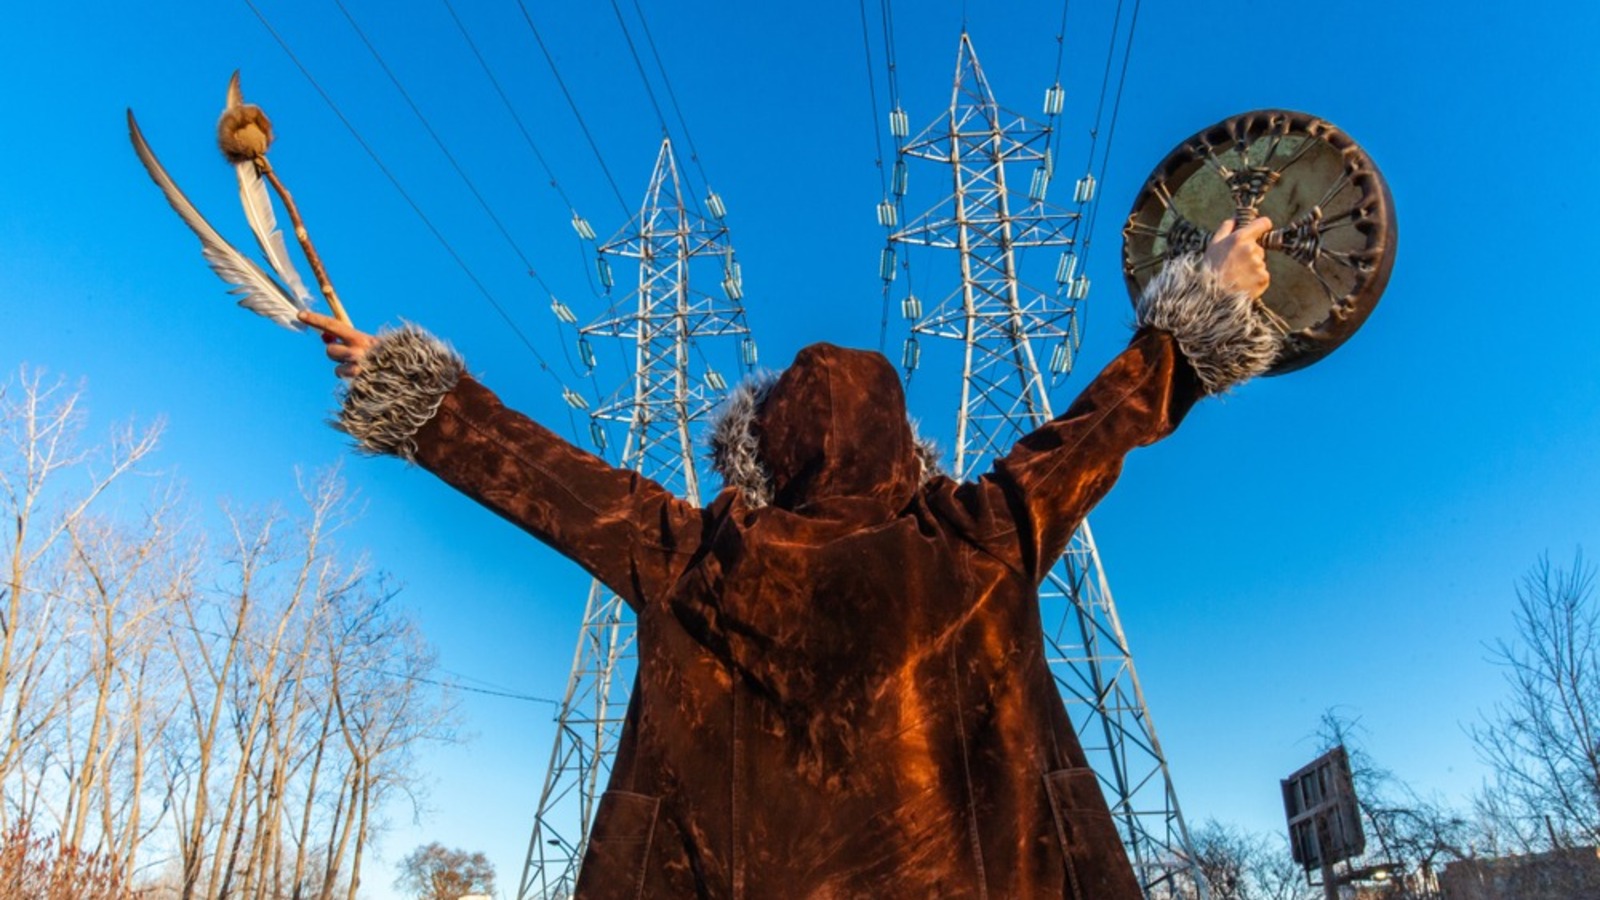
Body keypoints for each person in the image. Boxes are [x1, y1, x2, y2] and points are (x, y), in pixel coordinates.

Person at [301, 217, 1277, 899]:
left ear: (757, 460)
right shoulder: (976, 536)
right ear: (904, 445)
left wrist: (422, 398)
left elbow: (542, 478)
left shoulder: (696, 561)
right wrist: (1204, 298)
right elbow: (1102, 427)